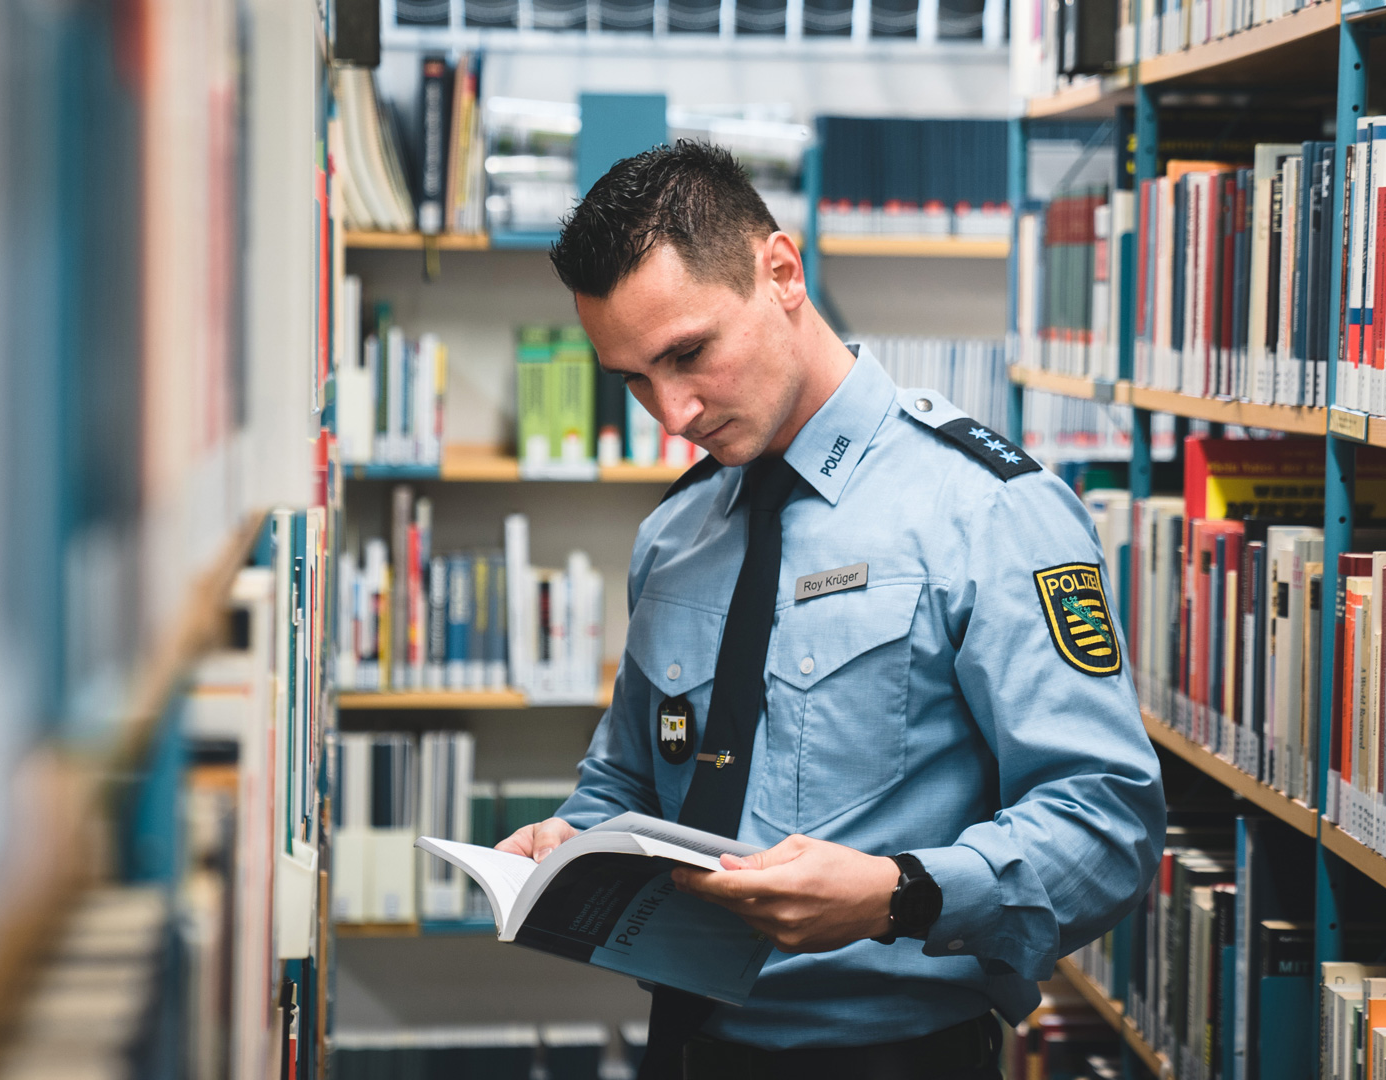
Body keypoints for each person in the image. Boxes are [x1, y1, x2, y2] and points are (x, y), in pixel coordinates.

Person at [497, 140, 1165, 1080]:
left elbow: (1109, 823)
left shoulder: (986, 509)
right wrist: (572, 841)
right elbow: (630, 784)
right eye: (636, 379)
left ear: (781, 273)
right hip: (682, 1050)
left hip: (895, 1058)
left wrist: (901, 896)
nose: (673, 413)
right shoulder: (676, 531)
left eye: (689, 354)